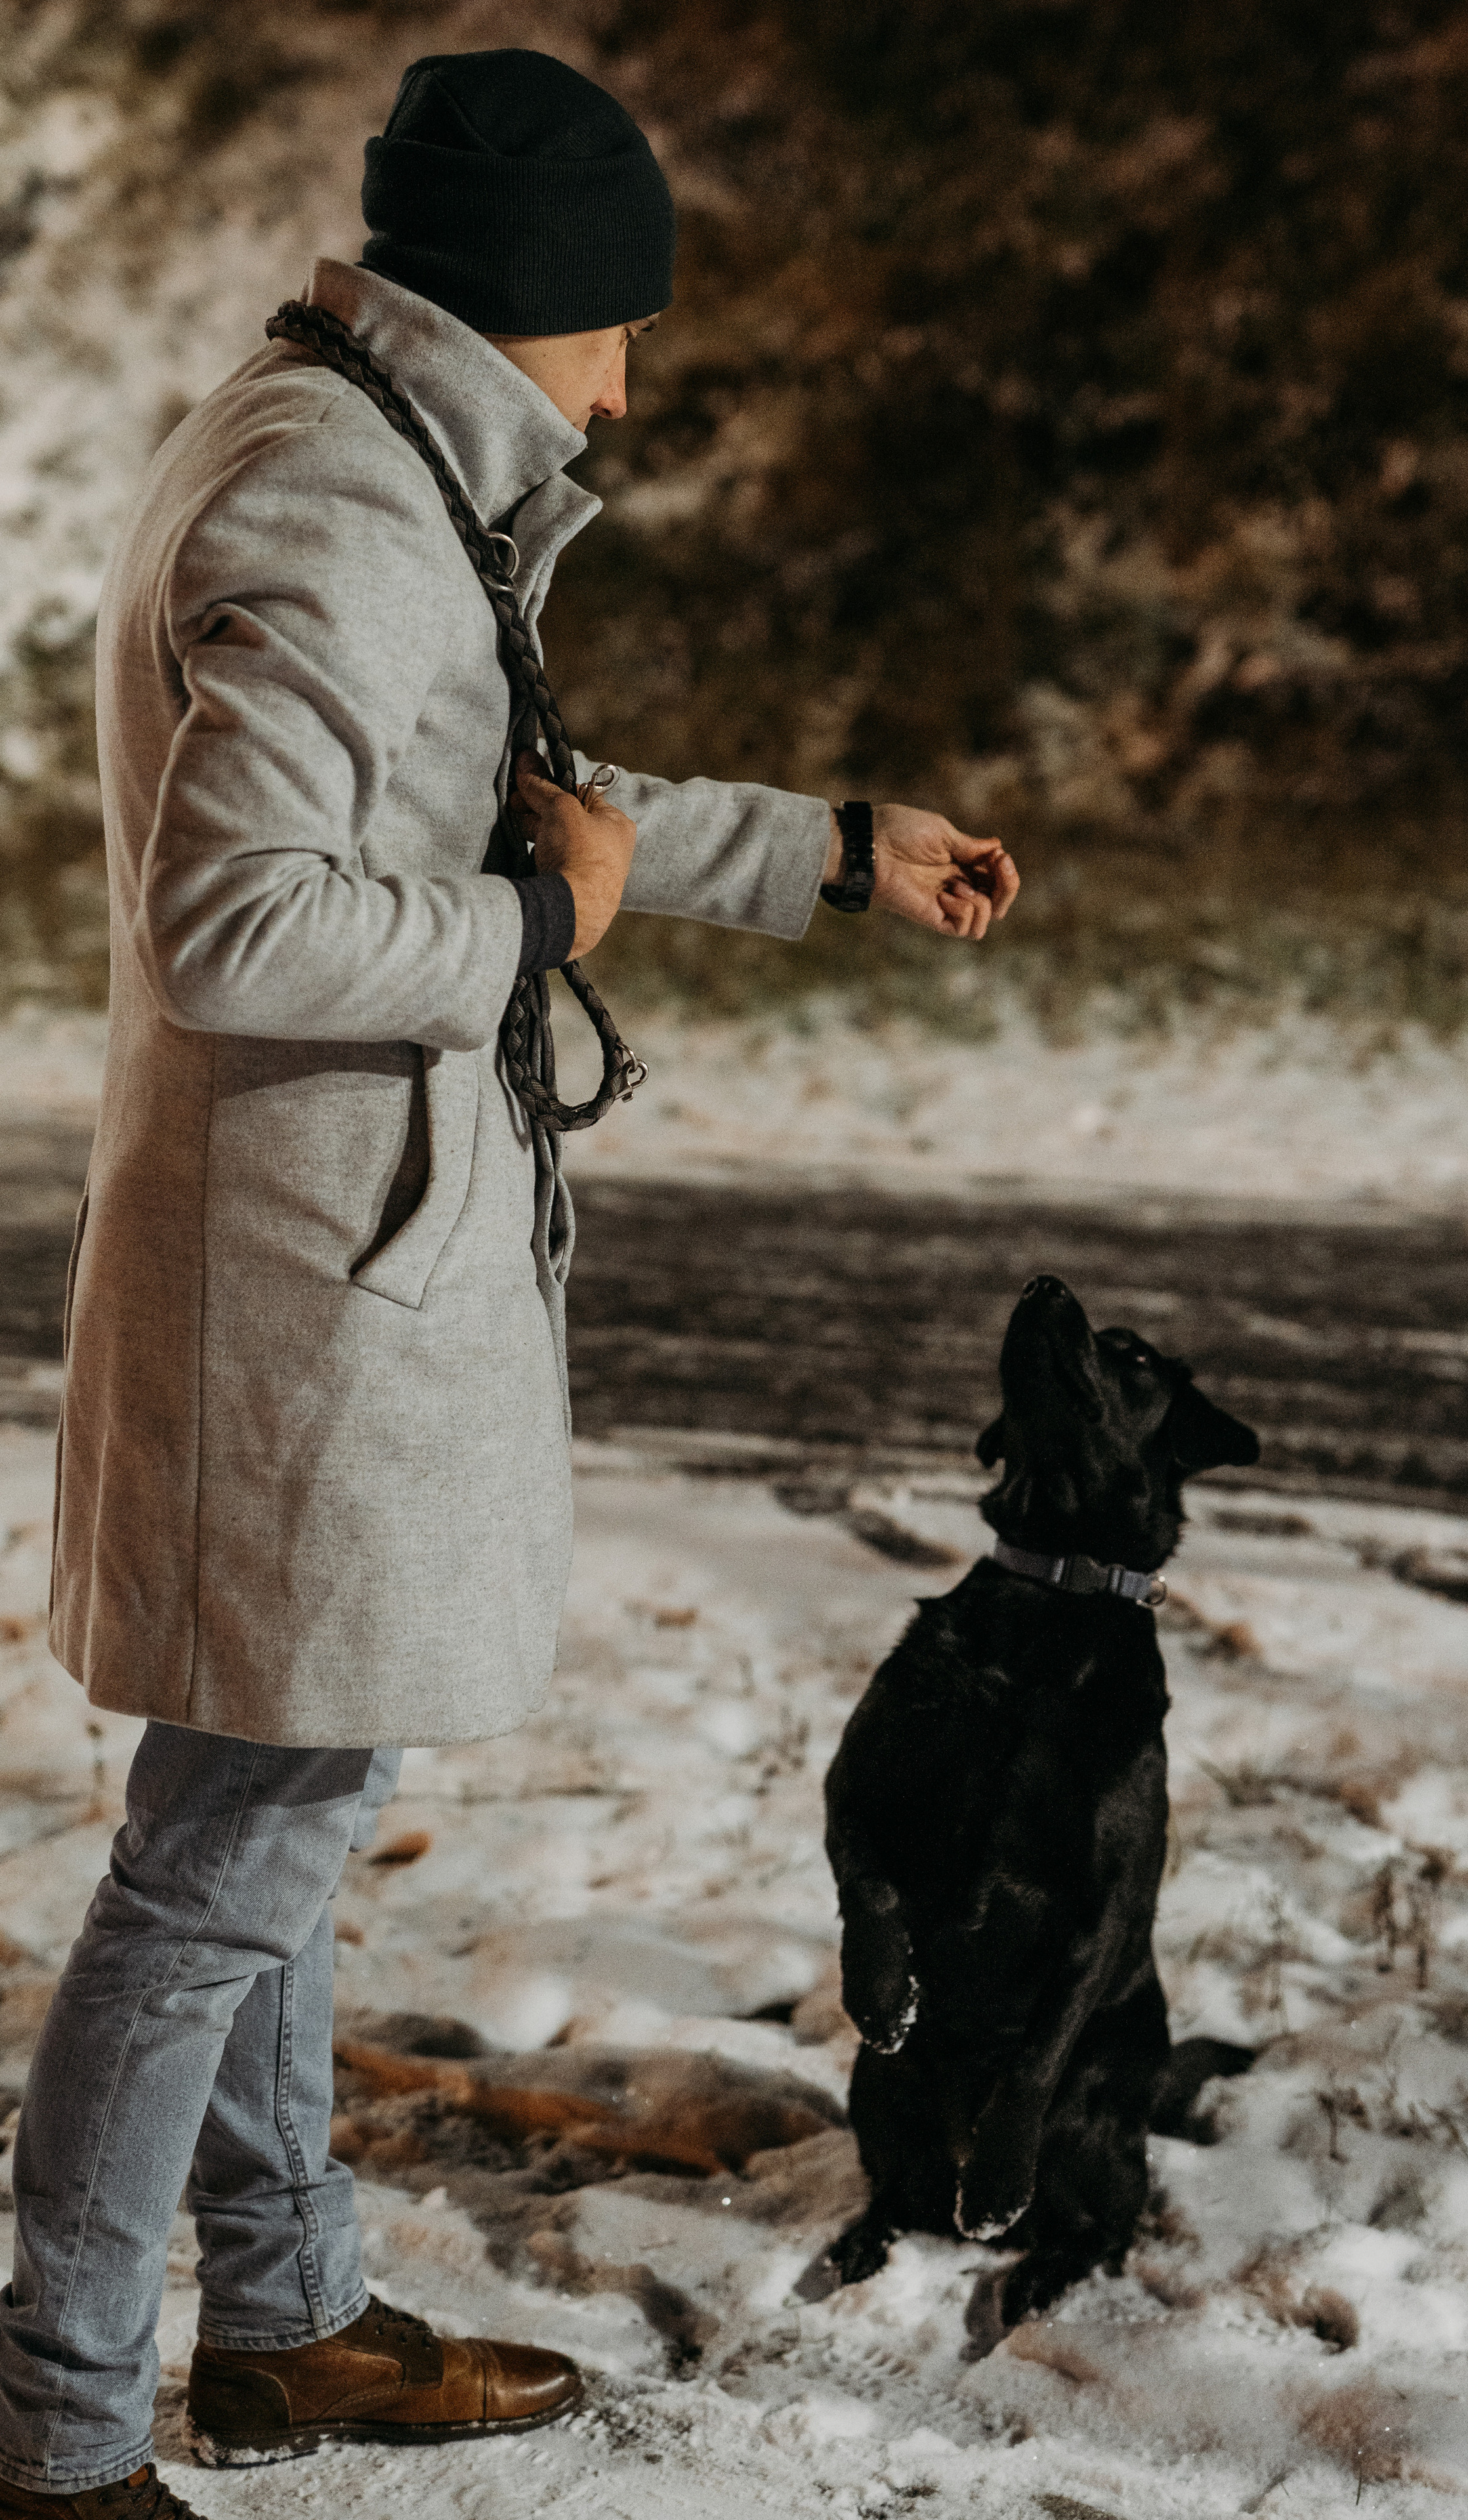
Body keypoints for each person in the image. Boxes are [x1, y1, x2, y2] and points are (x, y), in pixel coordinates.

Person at [0, 47, 1018, 2520]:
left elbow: (500, 800)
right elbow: (244, 920)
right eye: (618, 328)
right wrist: (537, 923)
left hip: (324, 1256)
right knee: (232, 1845)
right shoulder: (343, 504)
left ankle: (282, 2314)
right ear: (533, 308)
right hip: (312, 1293)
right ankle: (55, 2418)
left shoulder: (363, 446)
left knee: (275, 1807)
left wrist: (817, 850)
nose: (632, 378)